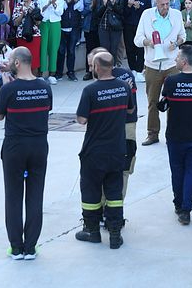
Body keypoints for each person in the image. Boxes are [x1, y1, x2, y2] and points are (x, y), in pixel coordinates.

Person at [0, 47, 52, 260]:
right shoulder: (45, 87)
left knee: (14, 195)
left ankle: (16, 247)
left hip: (15, 147)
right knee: (36, 196)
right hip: (38, 145)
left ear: (17, 63)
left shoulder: (9, 89)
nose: (7, 61)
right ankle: (31, 247)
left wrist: (6, 84)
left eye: (10, 59)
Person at [74, 51, 134, 249]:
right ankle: (115, 235)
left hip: (94, 151)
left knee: (91, 192)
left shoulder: (90, 91)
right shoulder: (124, 87)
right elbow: (130, 110)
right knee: (114, 191)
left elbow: (81, 120)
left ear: (98, 67)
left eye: (92, 66)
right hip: (117, 149)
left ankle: (92, 232)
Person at [159, 45, 192, 225]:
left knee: (177, 170)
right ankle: (186, 208)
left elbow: (163, 102)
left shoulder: (171, 81)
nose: (174, 61)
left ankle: (179, 204)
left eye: (177, 58)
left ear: (184, 61)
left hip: (175, 134)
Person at [134, 0, 186, 146]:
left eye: (167, 4)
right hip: (152, 64)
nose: (165, 7)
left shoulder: (176, 14)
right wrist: (147, 42)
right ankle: (152, 133)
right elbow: (137, 39)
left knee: (174, 101)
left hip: (171, 64)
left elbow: (183, 36)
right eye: (162, 4)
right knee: (152, 101)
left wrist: (176, 43)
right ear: (156, 3)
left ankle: (173, 132)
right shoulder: (146, 15)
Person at [36, 0, 65, 84]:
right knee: (43, 47)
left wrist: (54, 4)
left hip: (55, 22)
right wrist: (48, 4)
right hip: (44, 22)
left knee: (54, 48)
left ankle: (52, 73)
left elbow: (60, 12)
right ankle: (41, 72)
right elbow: (41, 10)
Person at [57, 0, 84, 80]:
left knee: (71, 51)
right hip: (61, 25)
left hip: (74, 26)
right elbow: (61, 8)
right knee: (61, 50)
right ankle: (59, 72)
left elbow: (80, 8)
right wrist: (69, 0)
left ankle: (71, 72)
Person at [122, 0, 151, 77]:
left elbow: (148, 14)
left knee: (140, 48)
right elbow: (124, 14)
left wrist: (139, 9)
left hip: (141, 27)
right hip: (129, 26)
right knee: (130, 47)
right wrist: (129, 6)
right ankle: (133, 69)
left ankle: (139, 69)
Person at [11, 0, 42, 76]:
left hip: (34, 35)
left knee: (34, 60)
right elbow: (15, 23)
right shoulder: (18, 6)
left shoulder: (35, 5)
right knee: (22, 60)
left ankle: (34, 80)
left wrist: (33, 14)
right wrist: (22, 14)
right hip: (21, 35)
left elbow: (38, 22)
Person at [94, 0, 123, 65]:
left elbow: (121, 12)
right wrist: (105, 4)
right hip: (103, 26)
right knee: (105, 50)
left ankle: (113, 68)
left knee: (114, 49)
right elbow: (97, 13)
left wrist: (114, 5)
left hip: (115, 26)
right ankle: (105, 70)